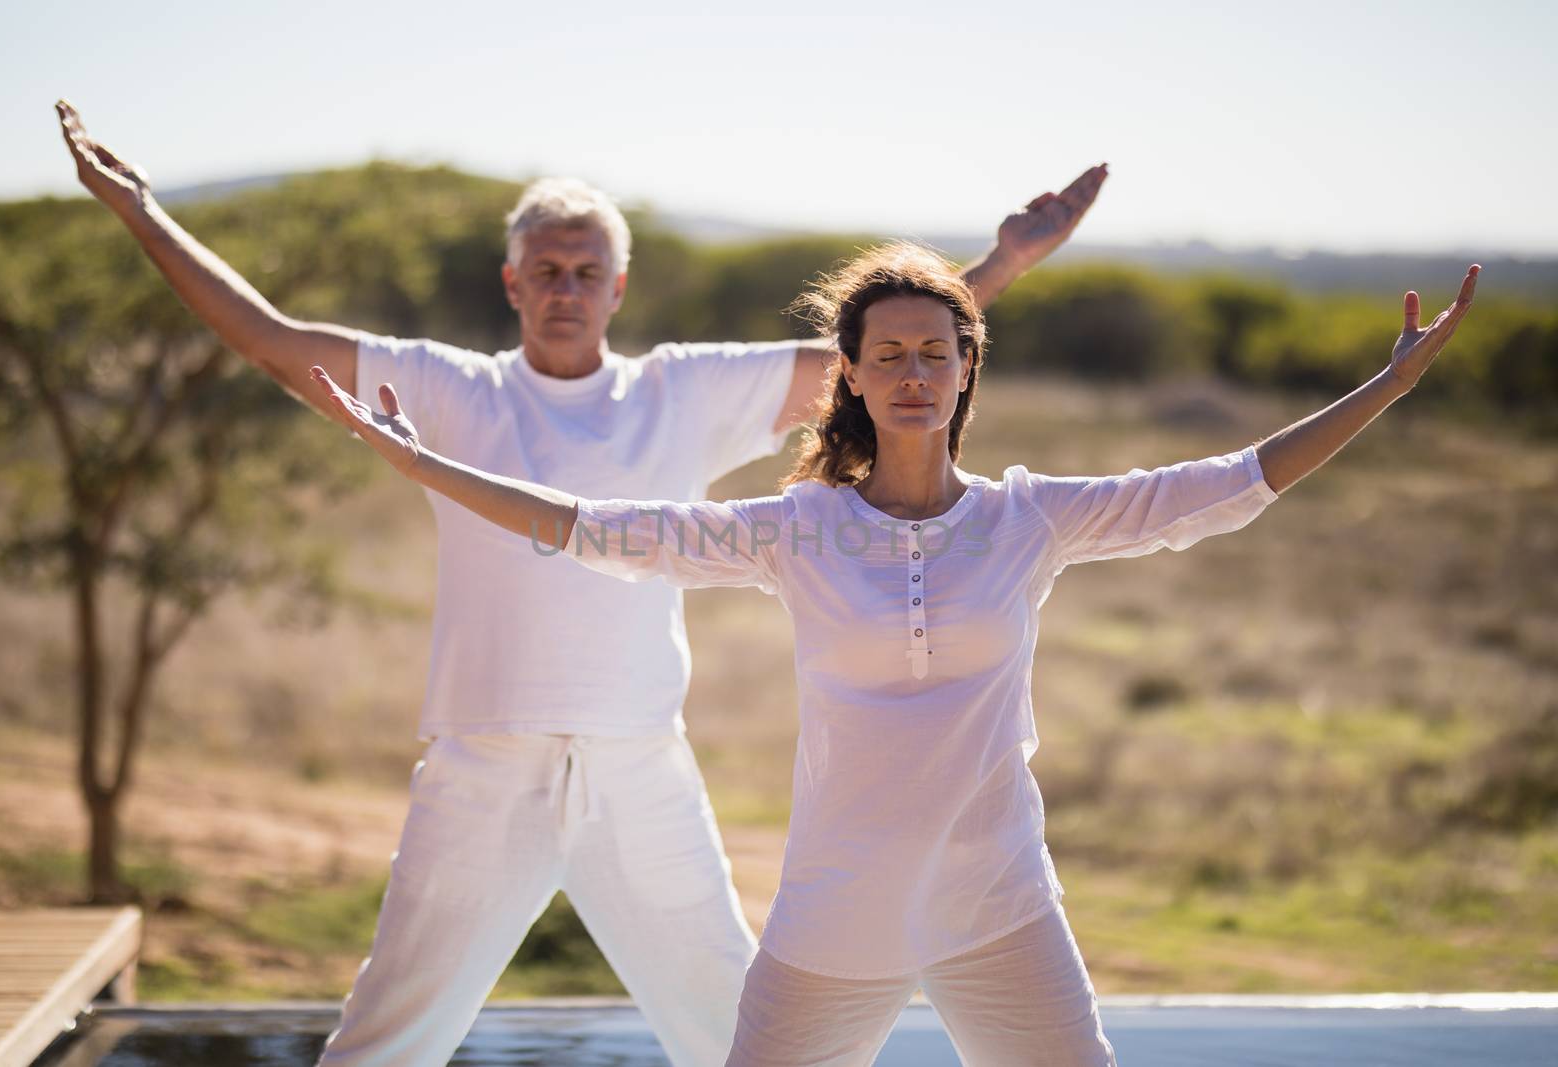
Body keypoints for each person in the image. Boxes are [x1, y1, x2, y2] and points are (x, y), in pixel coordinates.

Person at [55, 99, 1109, 1065]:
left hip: (639, 763)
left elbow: (885, 353)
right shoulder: (446, 387)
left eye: (585, 271)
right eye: (545, 270)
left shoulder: (681, 389)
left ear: (618, 287)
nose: (565, 287)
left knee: (735, 1031)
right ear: (512, 282)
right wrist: (145, 214)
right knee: (384, 1037)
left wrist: (1003, 263)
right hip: (483, 760)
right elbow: (278, 343)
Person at [309, 241, 1478, 1065]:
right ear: (851, 377)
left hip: (998, 901)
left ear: (967, 368)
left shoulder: (1029, 518)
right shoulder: (798, 526)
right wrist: (423, 465)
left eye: (936, 351)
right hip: (833, 913)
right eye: (890, 354)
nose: (913, 372)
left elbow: (1220, 489)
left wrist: (1384, 385)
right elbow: (602, 526)